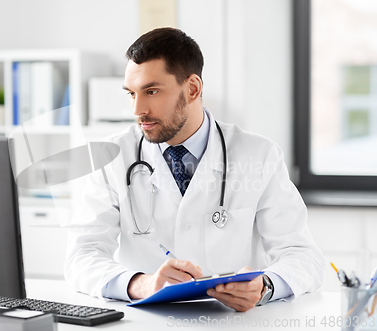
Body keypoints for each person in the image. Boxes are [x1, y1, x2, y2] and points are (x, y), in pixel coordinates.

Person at [64, 27, 324, 312]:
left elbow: (302, 255)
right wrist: (141, 284)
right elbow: (81, 256)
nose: (138, 109)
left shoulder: (259, 155)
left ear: (192, 89)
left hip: (232, 322)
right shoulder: (112, 157)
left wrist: (266, 286)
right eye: (131, 93)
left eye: (151, 91)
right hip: (146, 322)